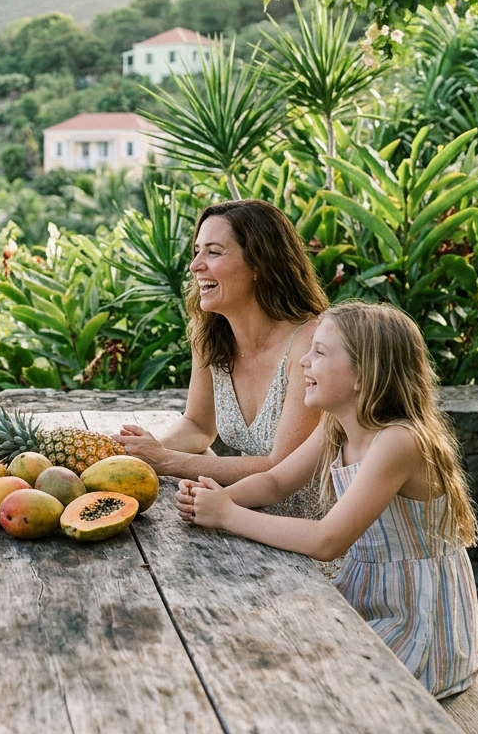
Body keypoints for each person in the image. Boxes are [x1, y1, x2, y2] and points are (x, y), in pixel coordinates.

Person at [177, 302, 478, 698]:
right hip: (366, 593)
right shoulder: (337, 423)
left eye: (319, 352)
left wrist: (228, 515)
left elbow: (326, 541)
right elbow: (274, 482)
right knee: (248, 643)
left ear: (363, 373)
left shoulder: (398, 442)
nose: (303, 361)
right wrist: (212, 498)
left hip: (418, 619)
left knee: (296, 687)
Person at [113, 199, 329, 518]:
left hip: (311, 537)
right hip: (241, 520)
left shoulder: (311, 343)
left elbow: (281, 467)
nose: (196, 265)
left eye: (213, 252)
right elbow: (198, 426)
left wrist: (167, 461)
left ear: (260, 264)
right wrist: (141, 452)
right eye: (197, 251)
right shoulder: (212, 336)